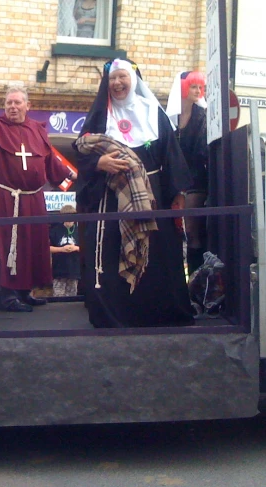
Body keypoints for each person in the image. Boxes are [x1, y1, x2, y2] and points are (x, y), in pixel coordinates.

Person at [72, 59, 194, 328]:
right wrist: (99, 164)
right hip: (111, 199)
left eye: (122, 77)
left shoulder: (153, 112)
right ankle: (114, 315)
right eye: (112, 79)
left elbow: (172, 156)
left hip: (153, 197)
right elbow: (81, 154)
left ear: (133, 80)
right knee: (112, 255)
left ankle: (159, 313)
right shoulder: (100, 118)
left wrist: (178, 193)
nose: (117, 83)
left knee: (157, 256)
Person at [0, 87, 75, 312]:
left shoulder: (37, 130)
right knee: (8, 243)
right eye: (8, 103)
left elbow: (49, 159)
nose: (12, 107)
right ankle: (7, 295)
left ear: (28, 105)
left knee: (34, 242)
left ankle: (26, 292)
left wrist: (70, 174)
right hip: (6, 196)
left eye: (17, 103)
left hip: (33, 197)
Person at [167, 70, 209, 275]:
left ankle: (195, 281)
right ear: (183, 88)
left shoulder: (203, 116)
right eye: (194, 86)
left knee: (192, 232)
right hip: (173, 183)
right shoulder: (169, 118)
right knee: (170, 233)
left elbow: (202, 153)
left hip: (195, 182)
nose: (198, 91)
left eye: (201, 87)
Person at [50, 204, 80, 297]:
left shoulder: (79, 230)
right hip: (59, 270)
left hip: (74, 271)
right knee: (58, 298)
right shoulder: (55, 230)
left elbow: (87, 247)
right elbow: (47, 248)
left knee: (72, 298)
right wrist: (61, 249)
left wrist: (76, 248)